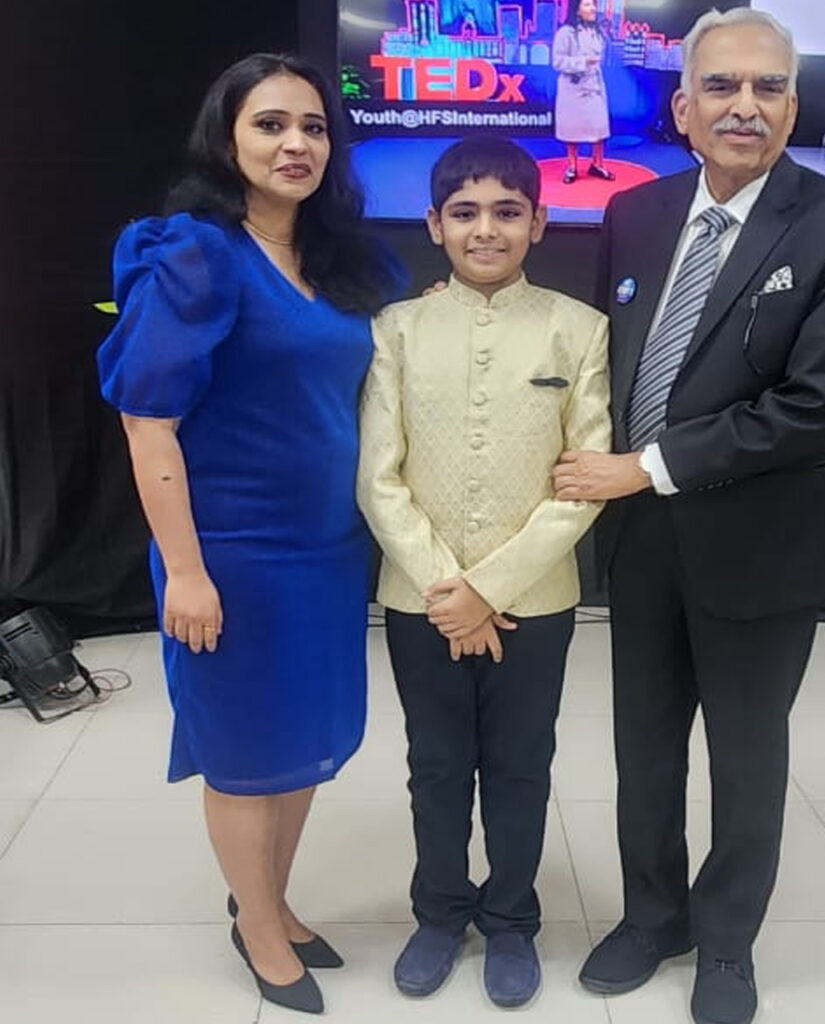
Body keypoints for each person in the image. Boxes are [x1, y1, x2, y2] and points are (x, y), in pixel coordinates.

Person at [552, 8, 825, 1024]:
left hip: (760, 543)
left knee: (746, 756)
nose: (744, 105)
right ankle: (652, 916)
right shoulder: (636, 212)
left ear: (791, 105)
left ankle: (729, 939)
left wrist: (643, 466)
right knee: (644, 746)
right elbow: (609, 369)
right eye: (721, 85)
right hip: (641, 540)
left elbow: (813, 406)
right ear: (682, 108)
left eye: (767, 87)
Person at [96, 53, 401, 1015]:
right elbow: (148, 423)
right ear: (226, 139)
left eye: (313, 127)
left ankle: (270, 898)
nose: (295, 144)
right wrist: (185, 572)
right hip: (229, 555)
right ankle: (259, 927)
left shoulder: (339, 261)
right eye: (270, 125)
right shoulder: (192, 254)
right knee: (242, 750)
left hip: (327, 552)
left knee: (304, 739)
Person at [356, 136, 611, 1009]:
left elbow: (584, 481)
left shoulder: (581, 329)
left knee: (520, 766)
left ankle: (511, 919)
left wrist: (487, 591)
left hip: (535, 600)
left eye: (507, 212)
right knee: (435, 765)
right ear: (434, 224)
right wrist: (448, 589)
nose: (486, 230)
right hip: (418, 598)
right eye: (464, 213)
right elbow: (377, 477)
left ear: (539, 222)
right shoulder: (395, 329)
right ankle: (438, 913)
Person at [553, 0, 615, 184]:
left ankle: (597, 164)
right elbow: (557, 62)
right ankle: (572, 167)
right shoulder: (566, 32)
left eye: (593, 4)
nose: (593, 8)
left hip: (593, 85)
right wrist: (582, 62)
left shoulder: (597, 31)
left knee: (599, 126)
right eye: (587, 4)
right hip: (573, 87)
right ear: (577, 9)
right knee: (572, 128)